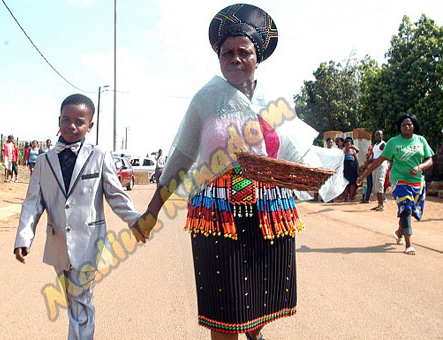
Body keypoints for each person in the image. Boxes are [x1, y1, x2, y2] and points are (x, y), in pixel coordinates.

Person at [132, 4, 345, 339]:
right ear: (218, 58)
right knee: (224, 311)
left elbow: (298, 156)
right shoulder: (206, 99)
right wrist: (152, 211)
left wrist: (335, 177)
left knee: (258, 301)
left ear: (257, 58)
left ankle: (255, 333)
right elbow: (183, 156)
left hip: (268, 212)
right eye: (226, 52)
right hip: (219, 214)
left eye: (243, 52)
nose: (234, 58)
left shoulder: (275, 103)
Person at [13, 94, 140, 340]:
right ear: (58, 120)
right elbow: (32, 204)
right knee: (74, 301)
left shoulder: (99, 155)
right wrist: (23, 238)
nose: (71, 126)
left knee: (80, 301)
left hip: (90, 244)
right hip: (59, 243)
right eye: (66, 119)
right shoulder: (43, 161)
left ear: (90, 126)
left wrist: (135, 220)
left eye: (79, 121)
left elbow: (115, 194)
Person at [358, 114, 433, 255]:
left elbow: (430, 160)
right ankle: (408, 244)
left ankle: (399, 232)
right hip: (399, 180)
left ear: (414, 126)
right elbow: (379, 161)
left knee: (409, 210)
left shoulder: (421, 140)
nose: (406, 126)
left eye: (409, 124)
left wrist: (420, 167)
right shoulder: (393, 143)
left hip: (417, 182)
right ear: (400, 127)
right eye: (403, 124)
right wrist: (363, 176)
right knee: (405, 208)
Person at [369, 130, 388, 211]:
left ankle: (381, 205)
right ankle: (379, 204)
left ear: (382, 136)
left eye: (380, 135)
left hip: (381, 165)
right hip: (375, 165)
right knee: (376, 184)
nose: (378, 136)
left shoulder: (383, 144)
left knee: (379, 183)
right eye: (377, 135)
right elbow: (374, 155)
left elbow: (386, 155)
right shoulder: (375, 145)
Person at [342, 137, 359, 201]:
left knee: (352, 183)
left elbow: (356, 160)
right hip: (345, 169)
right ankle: (345, 197)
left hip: (352, 168)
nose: (348, 145)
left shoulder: (353, 151)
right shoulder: (343, 151)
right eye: (346, 144)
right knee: (345, 183)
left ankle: (351, 197)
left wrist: (357, 169)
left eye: (349, 144)